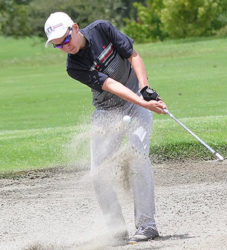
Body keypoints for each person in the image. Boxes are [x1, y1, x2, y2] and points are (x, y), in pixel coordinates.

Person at [44, 12, 167, 244]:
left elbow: (133, 55)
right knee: (97, 172)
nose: (65, 47)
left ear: (76, 28)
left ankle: (147, 226)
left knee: (139, 158)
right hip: (107, 113)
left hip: (136, 104)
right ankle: (117, 229)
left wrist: (145, 89)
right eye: (58, 46)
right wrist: (144, 102)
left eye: (66, 39)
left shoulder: (102, 29)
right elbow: (110, 85)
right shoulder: (74, 67)